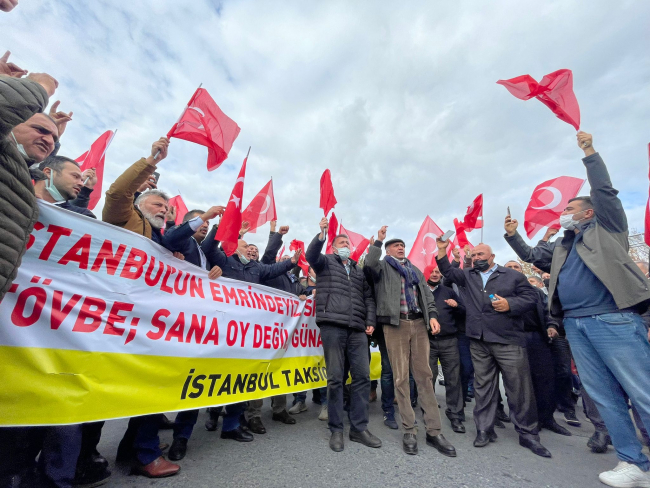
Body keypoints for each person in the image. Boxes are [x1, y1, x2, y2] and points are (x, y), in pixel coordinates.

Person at [503, 131, 650, 487]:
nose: (563, 214)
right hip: (576, 325)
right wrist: (513, 234)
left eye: (569, 209)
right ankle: (634, 463)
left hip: (612, 319)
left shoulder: (608, 227)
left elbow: (605, 192)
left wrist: (590, 153)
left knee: (641, 390)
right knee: (604, 396)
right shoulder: (562, 245)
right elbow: (532, 256)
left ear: (588, 212)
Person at [102, 136, 181, 478]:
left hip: (147, 319)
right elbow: (117, 194)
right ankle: (137, 454)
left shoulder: (158, 235)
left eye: (166, 207)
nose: (164, 210)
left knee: (150, 387)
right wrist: (150, 161)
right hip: (119, 316)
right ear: (138, 203)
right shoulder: (124, 216)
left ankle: (133, 452)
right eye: (157, 205)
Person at [435, 239, 551, 458]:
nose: (476, 258)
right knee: (483, 387)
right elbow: (448, 271)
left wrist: (510, 304)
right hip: (479, 341)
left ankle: (528, 433)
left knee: (519, 388)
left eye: (481, 254)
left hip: (508, 340)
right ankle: (484, 429)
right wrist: (442, 250)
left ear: (492, 257)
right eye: (474, 255)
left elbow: (530, 298)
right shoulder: (468, 275)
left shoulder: (512, 275)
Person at [363, 227, 455, 456]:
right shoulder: (382, 266)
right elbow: (368, 265)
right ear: (387, 251)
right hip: (396, 325)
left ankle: (434, 431)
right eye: (395, 245)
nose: (400, 247)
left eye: (402, 245)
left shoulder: (415, 270)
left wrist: (432, 316)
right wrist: (378, 242)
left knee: (425, 376)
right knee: (401, 377)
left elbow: (427, 297)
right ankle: (409, 430)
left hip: (419, 323)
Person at [203, 235, 302, 442]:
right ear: (233, 248)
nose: (249, 249)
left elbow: (273, 268)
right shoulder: (224, 261)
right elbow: (209, 248)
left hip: (252, 330)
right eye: (245, 246)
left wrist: (292, 262)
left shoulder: (257, 269)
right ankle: (214, 412)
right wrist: (224, 230)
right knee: (224, 375)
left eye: (251, 247)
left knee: (248, 375)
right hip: (227, 328)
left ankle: (234, 423)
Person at [305, 218, 380, 452]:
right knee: (336, 378)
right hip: (333, 326)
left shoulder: (358, 270)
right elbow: (310, 255)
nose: (346, 245)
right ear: (333, 247)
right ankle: (336, 429)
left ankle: (358, 428)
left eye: (348, 242)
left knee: (362, 377)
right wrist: (321, 234)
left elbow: (368, 297)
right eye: (341, 242)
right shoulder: (325, 262)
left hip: (357, 329)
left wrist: (370, 321)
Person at [161, 207, 225, 461]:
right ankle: (138, 444)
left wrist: (215, 273)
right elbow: (170, 237)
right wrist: (206, 216)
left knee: (193, 383)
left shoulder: (200, 251)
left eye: (207, 226)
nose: (205, 227)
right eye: (201, 224)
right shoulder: (181, 241)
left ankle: (182, 437)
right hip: (173, 323)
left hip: (197, 325)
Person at [0, 59, 58, 303]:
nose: (50, 141)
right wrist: (39, 87)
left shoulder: (21, 174)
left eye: (54, 138)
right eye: (41, 131)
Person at [503, 260, 572, 437]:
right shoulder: (500, 291)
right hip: (512, 339)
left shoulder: (535, 291)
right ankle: (526, 421)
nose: (513, 269)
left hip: (537, 338)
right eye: (509, 267)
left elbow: (548, 311)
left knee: (545, 379)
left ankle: (547, 418)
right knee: (520, 383)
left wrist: (552, 326)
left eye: (516, 267)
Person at [426, 265, 467, 435]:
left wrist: (456, 306)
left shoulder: (448, 291)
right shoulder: (419, 290)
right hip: (427, 342)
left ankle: (455, 414)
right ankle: (429, 413)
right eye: (431, 272)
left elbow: (464, 311)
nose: (435, 274)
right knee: (428, 378)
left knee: (453, 379)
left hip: (449, 341)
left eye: (437, 272)